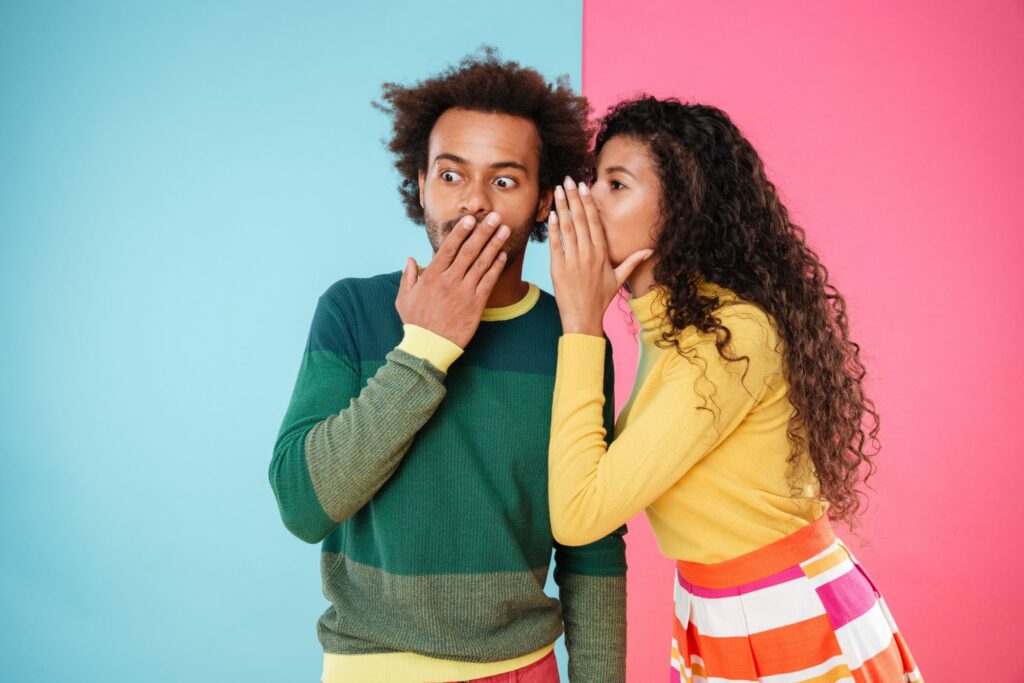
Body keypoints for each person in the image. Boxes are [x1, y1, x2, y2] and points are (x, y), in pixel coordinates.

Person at [269, 50, 626, 683]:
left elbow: (590, 544)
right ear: (421, 181)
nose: (473, 204)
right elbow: (303, 505)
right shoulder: (353, 310)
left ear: (544, 199)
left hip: (523, 669)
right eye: (451, 175)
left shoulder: (571, 336)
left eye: (505, 181)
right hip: (372, 669)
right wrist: (425, 349)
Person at [546, 95, 922, 682]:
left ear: (682, 208)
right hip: (714, 614)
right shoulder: (668, 327)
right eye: (594, 180)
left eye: (615, 185)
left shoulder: (731, 339)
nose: (588, 200)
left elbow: (578, 514)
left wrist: (579, 324)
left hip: (790, 615)